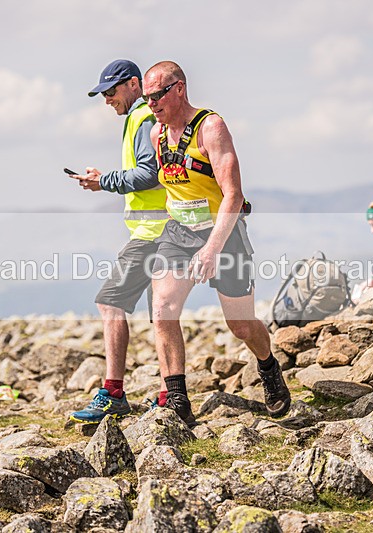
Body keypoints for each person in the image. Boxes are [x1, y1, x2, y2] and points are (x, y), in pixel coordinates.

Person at [143, 61, 290, 427]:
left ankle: (269, 369)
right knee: (162, 307)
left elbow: (234, 195)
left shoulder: (211, 127)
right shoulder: (155, 135)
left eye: (157, 95)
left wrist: (211, 247)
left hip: (224, 233)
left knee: (240, 325)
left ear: (179, 89)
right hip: (179, 232)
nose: (152, 105)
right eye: (146, 98)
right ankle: (177, 399)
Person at [68, 59, 168, 424]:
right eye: (102, 94)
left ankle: (113, 393)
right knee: (163, 315)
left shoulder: (142, 119)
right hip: (162, 229)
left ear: (133, 84)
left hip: (154, 231)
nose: (107, 100)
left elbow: (151, 175)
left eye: (110, 92)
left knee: (110, 304)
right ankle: (168, 394)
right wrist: (106, 176)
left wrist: (104, 181)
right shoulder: (142, 118)